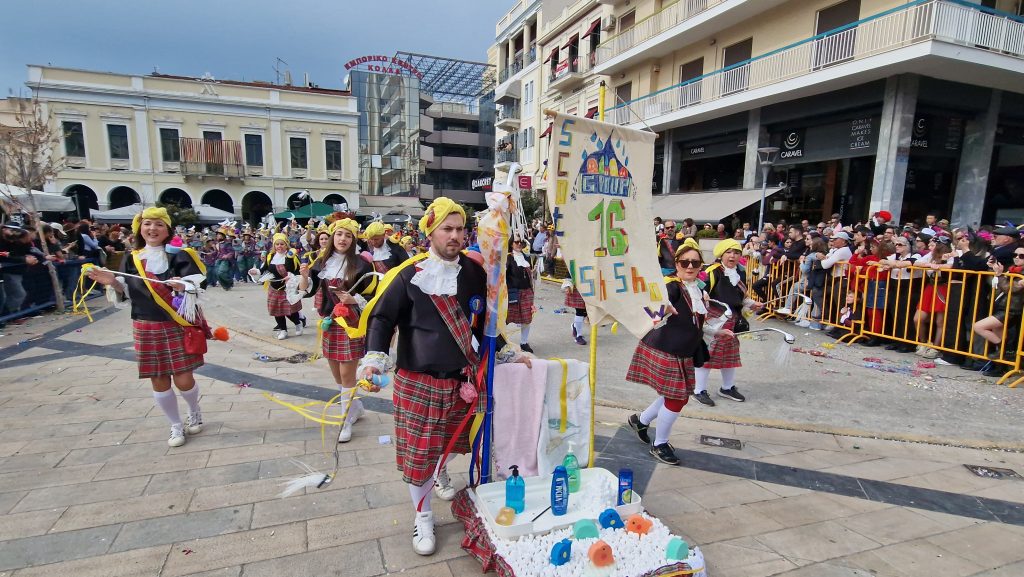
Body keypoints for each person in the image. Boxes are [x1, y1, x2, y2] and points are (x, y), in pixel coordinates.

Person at [357, 197, 528, 556]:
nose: (454, 236)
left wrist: (507, 353)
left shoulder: (473, 272)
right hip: (417, 380)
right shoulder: (410, 275)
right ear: (430, 232)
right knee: (420, 455)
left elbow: (483, 324)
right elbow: (383, 319)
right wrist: (374, 357)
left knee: (459, 442)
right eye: (446, 229)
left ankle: (439, 471)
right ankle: (422, 517)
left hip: (462, 380)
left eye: (459, 228)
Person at [84, 207, 207, 448]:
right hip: (145, 323)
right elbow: (132, 293)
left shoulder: (181, 255)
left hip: (176, 324)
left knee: (184, 380)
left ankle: (194, 410)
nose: (153, 229)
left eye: (159, 224)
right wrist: (114, 284)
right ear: (140, 228)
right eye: (148, 223)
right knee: (158, 379)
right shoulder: (132, 258)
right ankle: (174, 424)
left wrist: (183, 287)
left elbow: (199, 289)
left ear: (167, 229)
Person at [626, 239, 709, 465]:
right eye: (685, 262)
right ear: (677, 264)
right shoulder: (670, 286)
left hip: (684, 350)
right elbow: (648, 308)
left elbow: (697, 320)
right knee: (677, 398)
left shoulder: (699, 289)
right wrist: (662, 309)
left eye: (695, 262)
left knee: (672, 395)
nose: (690, 266)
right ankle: (659, 444)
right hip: (666, 349)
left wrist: (718, 333)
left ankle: (640, 421)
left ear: (701, 265)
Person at [299, 218, 377, 442]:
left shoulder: (362, 264)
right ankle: (356, 407)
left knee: (346, 374)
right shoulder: (322, 261)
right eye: (340, 234)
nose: (343, 239)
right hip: (330, 322)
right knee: (336, 373)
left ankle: (345, 419)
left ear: (353, 240)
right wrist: (304, 277)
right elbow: (307, 291)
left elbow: (374, 294)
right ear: (333, 237)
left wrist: (355, 299)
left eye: (348, 235)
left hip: (351, 323)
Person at [692, 239, 764, 406]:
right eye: (729, 252)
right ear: (721, 254)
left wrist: (752, 303)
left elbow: (741, 297)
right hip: (714, 320)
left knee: (730, 356)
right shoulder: (711, 272)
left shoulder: (740, 272)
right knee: (707, 355)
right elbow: (698, 292)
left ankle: (727, 387)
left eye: (736, 252)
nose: (733, 256)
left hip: (733, 320)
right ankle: (698, 390)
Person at [250, 233, 305, 340]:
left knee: (290, 311)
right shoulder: (270, 256)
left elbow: (297, 271)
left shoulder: (291, 256)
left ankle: (298, 324)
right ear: (274, 246)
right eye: (277, 244)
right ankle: (283, 330)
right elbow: (262, 269)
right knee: (277, 311)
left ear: (286, 245)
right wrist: (255, 271)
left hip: (288, 287)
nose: (279, 246)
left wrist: (291, 277)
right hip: (274, 288)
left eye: (282, 244)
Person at [506, 238, 536, 353]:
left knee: (526, 319)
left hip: (527, 292)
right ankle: (502, 342)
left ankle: (524, 342)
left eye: (521, 242)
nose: (519, 244)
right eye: (516, 242)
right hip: (513, 293)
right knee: (506, 318)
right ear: (511, 243)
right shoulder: (508, 257)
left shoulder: (527, 257)